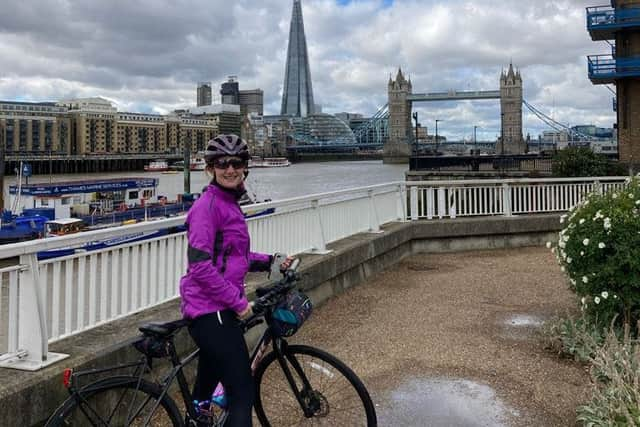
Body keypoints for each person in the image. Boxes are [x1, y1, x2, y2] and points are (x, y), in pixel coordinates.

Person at [179, 134, 283, 426]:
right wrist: (237, 303)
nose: (230, 169)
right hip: (210, 310)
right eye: (221, 163)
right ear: (210, 168)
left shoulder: (228, 202)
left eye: (236, 163)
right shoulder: (207, 208)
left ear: (245, 167)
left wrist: (270, 261)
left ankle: (197, 414)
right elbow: (199, 266)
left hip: (219, 306)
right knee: (241, 395)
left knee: (204, 393)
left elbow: (232, 256)